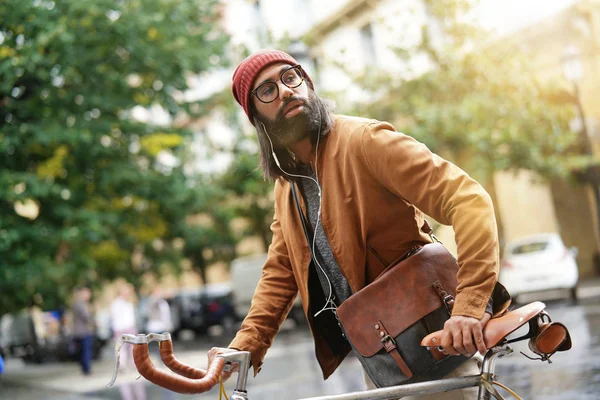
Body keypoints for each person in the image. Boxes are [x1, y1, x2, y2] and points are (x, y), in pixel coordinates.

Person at [207, 49, 511, 399]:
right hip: (381, 360)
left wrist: (470, 306)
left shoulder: (365, 141)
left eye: (291, 77)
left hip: (437, 351)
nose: (286, 90)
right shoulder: (287, 187)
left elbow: (468, 200)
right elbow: (281, 270)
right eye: (267, 90)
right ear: (256, 116)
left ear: (307, 82)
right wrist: (246, 345)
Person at [110, 282, 138, 369]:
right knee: (121, 347)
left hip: (130, 327)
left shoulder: (129, 302)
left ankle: (134, 363)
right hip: (120, 328)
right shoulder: (116, 303)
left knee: (133, 347)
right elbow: (114, 316)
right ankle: (121, 364)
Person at [71, 286, 95, 375]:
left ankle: (85, 369)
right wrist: (93, 322)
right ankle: (86, 370)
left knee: (82, 351)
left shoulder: (77, 303)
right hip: (83, 331)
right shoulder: (80, 304)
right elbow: (86, 316)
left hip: (80, 331)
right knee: (85, 351)